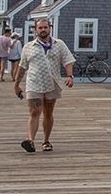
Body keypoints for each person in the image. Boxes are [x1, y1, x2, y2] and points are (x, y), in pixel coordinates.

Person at [12, 17, 74, 152]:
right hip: (34, 83)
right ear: (35, 30)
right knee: (35, 112)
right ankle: (30, 141)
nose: (43, 30)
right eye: (40, 28)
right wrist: (16, 85)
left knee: (48, 112)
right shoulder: (28, 47)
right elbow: (22, 67)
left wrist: (69, 76)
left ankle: (46, 140)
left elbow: (68, 60)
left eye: (45, 27)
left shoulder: (59, 44)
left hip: (53, 83)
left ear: (50, 28)